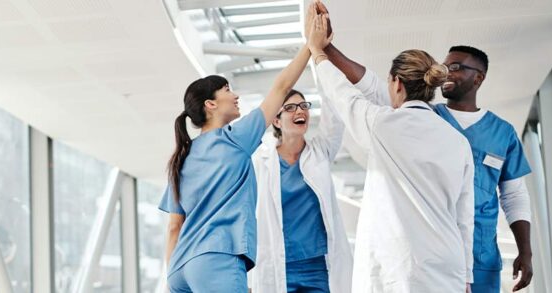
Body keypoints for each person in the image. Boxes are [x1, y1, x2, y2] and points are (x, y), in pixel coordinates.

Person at [312, 3, 535, 291]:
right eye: (445, 67)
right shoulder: (442, 127)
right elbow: (367, 84)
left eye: (456, 67)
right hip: (450, 259)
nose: (448, 72)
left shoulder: (500, 133)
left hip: (473, 256)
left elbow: (513, 196)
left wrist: (317, 51)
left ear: (479, 77)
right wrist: (328, 49)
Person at [304, 11, 475, 293]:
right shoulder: (458, 141)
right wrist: (466, 275)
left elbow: (342, 94)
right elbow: (464, 216)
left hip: (397, 267)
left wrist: (317, 51)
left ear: (396, 83)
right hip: (447, 267)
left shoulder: (382, 124)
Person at [160, 6, 321, 292]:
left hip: (181, 268)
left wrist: (171, 280)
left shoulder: (182, 157)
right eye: (227, 91)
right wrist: (311, 45)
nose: (235, 96)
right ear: (210, 105)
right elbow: (282, 86)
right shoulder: (234, 138)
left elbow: (175, 226)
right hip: (217, 259)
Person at [247, 87, 353, 293]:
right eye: (291, 108)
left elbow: (334, 118)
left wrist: (321, 62)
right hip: (278, 265)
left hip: (317, 267)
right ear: (276, 121)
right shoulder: (261, 160)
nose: (300, 111)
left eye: (304, 106)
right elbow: (252, 216)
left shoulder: (320, 152)